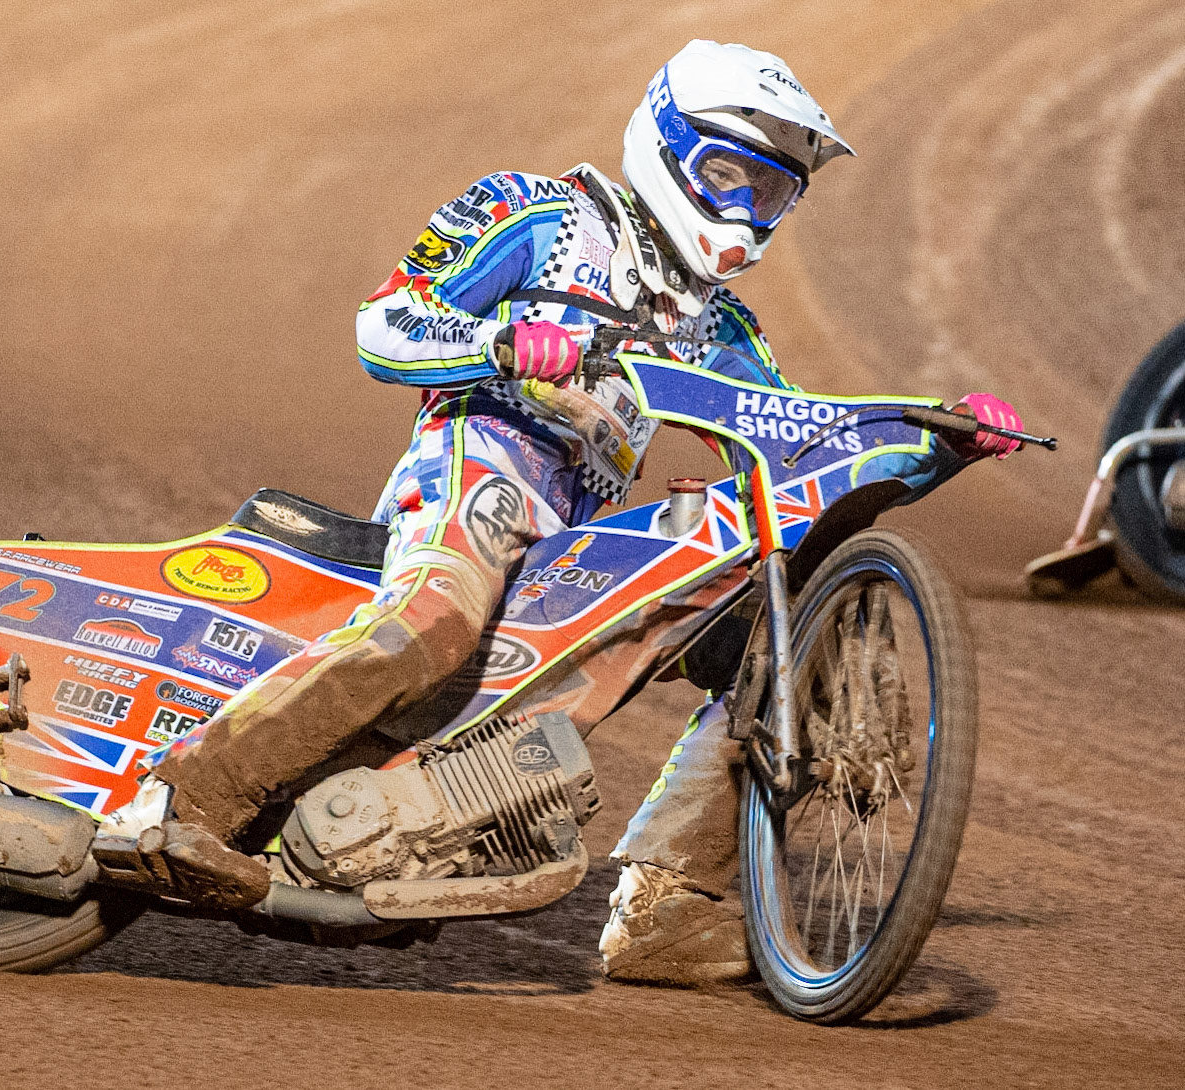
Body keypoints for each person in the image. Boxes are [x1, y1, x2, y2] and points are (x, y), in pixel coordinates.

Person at [95, 39, 1023, 984]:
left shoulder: (722, 326)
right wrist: (503, 343)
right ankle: (179, 801)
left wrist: (931, 439)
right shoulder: (538, 213)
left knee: (773, 634)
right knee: (439, 614)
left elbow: (790, 445)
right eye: (726, 175)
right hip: (479, 465)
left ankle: (673, 909)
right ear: (664, 144)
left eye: (770, 192)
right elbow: (387, 319)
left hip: (579, 534)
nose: (743, 210)